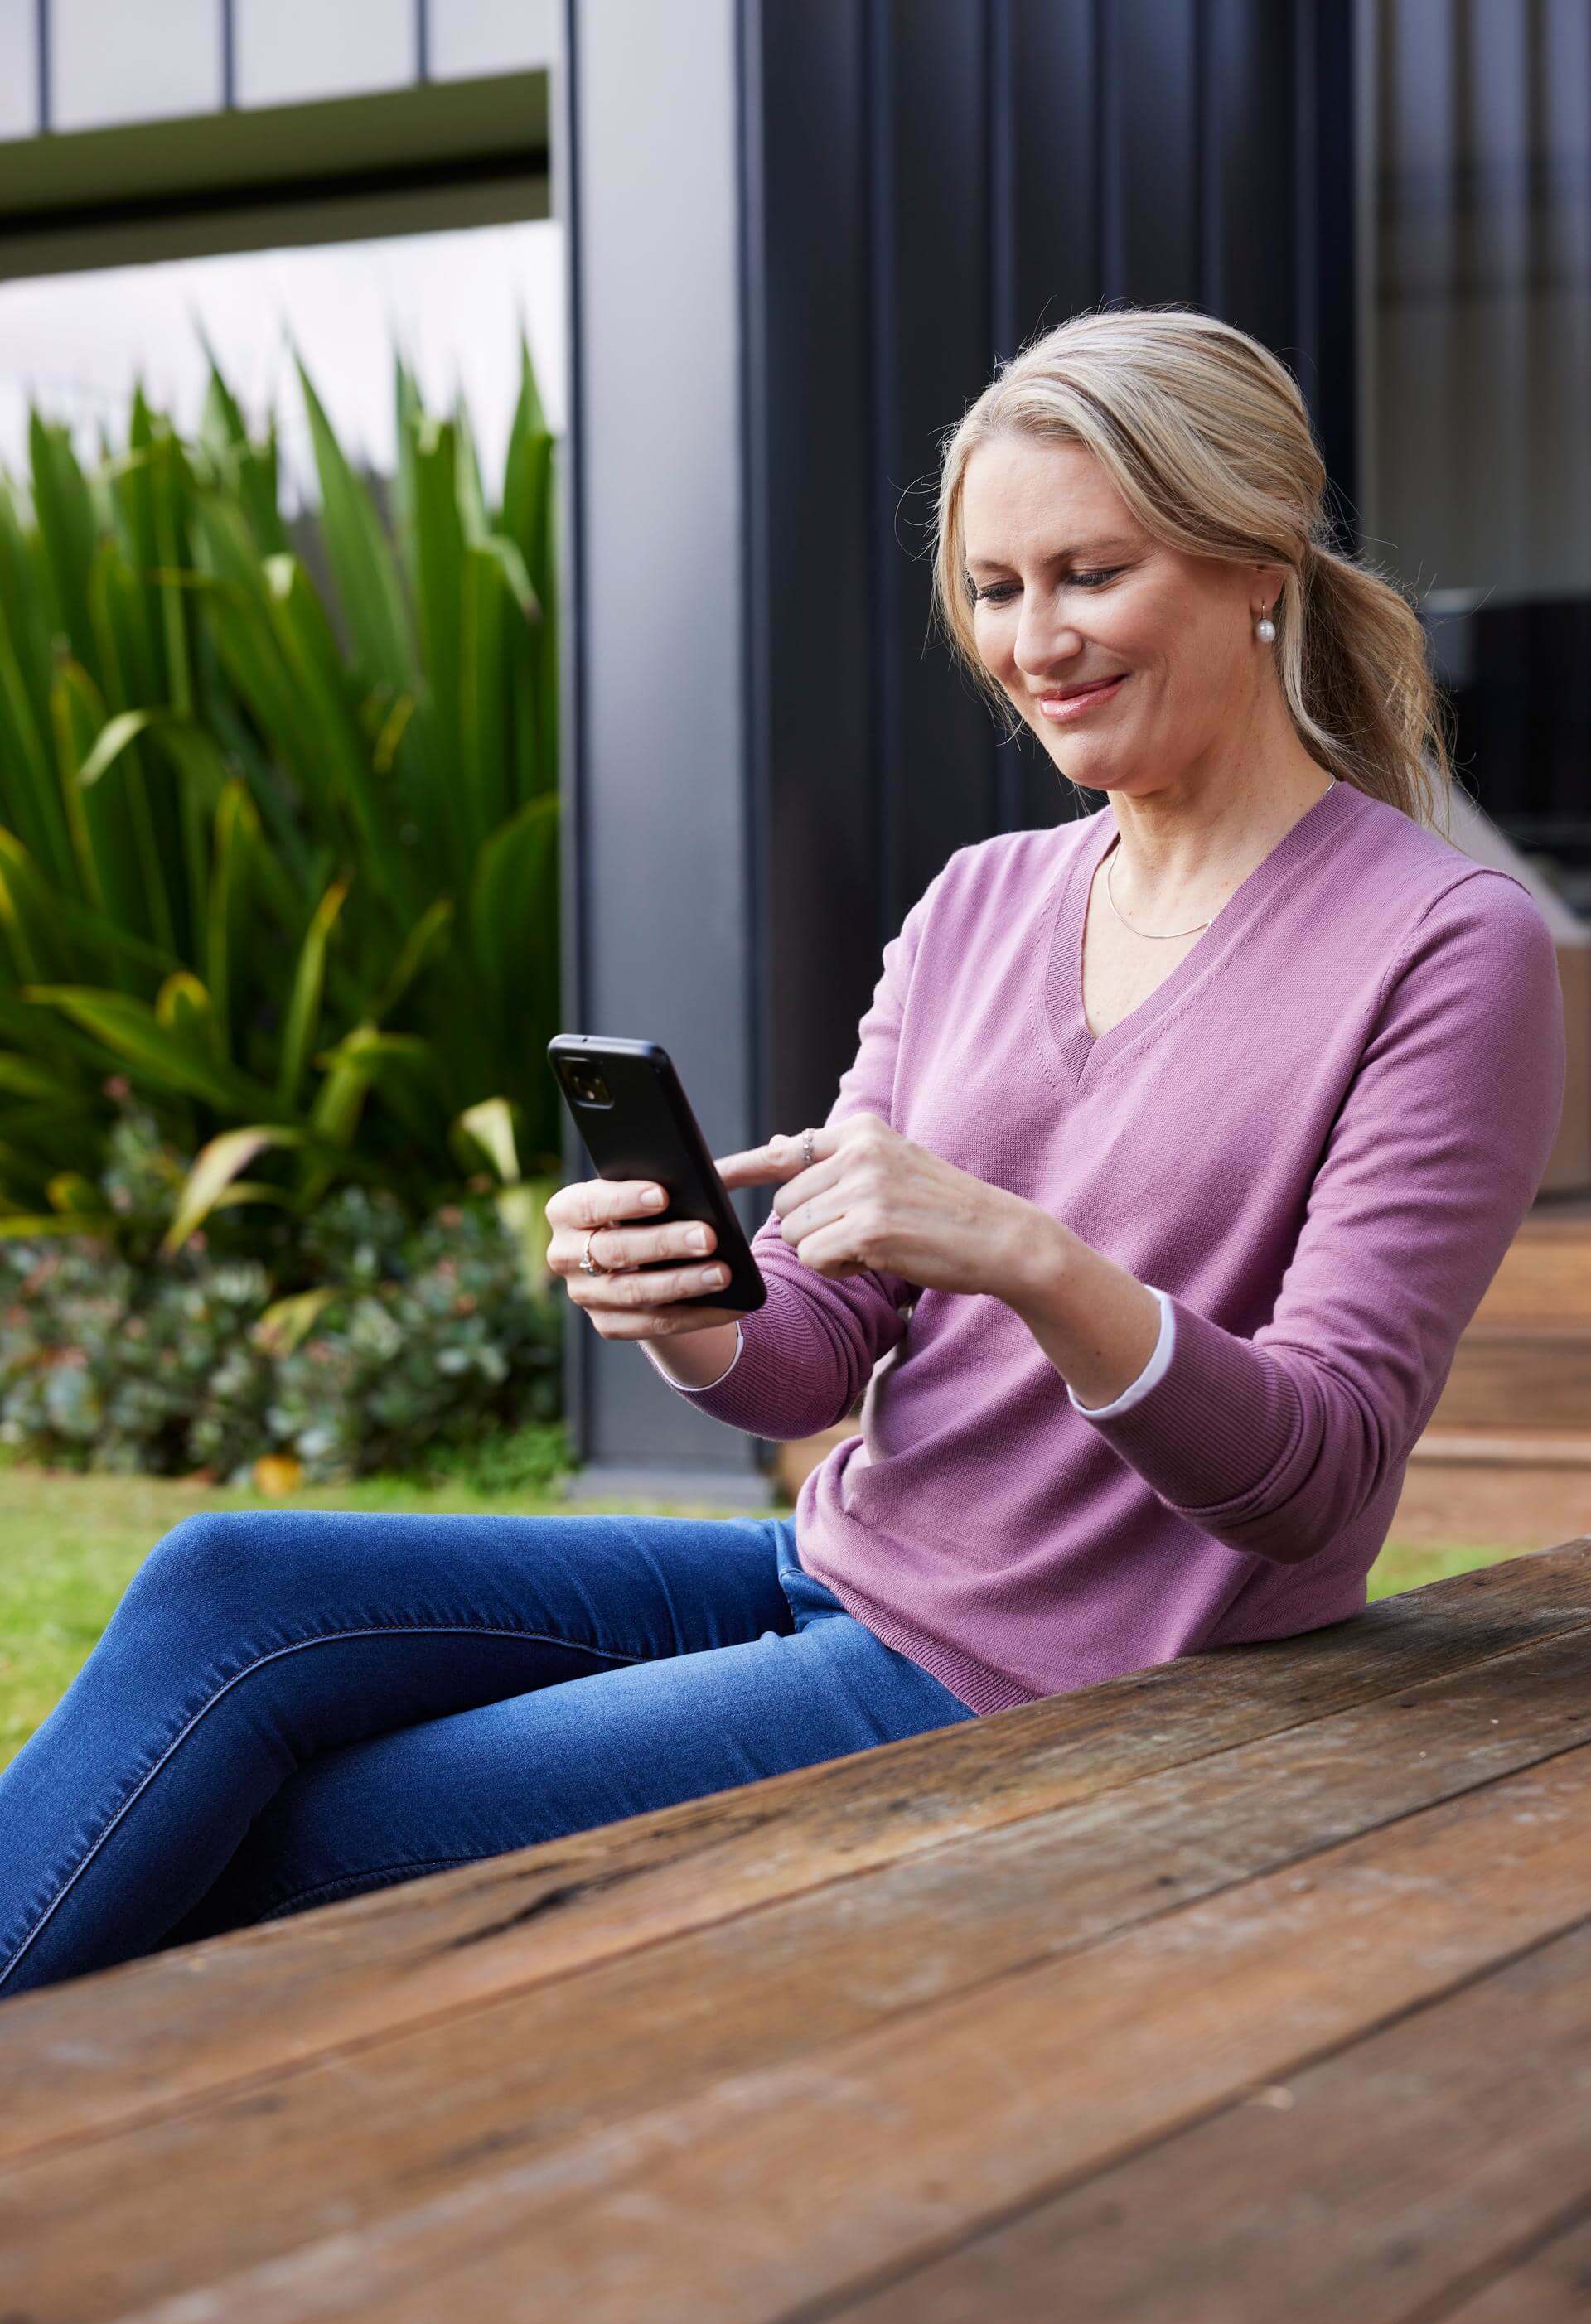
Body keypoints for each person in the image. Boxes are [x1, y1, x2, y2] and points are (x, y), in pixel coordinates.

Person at [0, 303, 1564, 1999]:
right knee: (230, 1579)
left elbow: (1322, 1473)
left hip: (1031, 1677)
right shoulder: (983, 900)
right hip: (827, 1571)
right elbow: (820, 1349)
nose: (1038, 641)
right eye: (995, 590)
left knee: (296, 1825)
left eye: (1091, 574)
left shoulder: (1441, 946)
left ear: (1258, 561)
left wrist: (1033, 1259)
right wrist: (690, 1304)